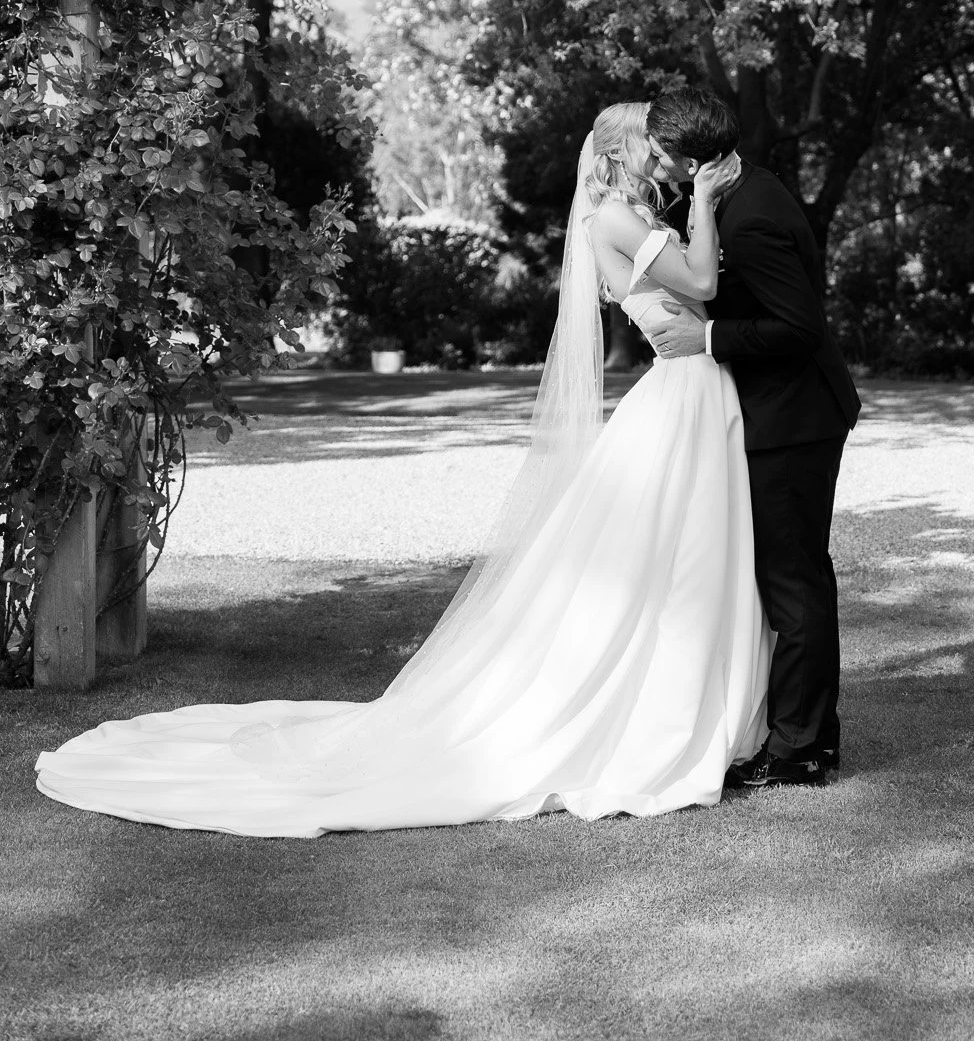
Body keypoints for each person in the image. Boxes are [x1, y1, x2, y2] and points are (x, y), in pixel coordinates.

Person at [35, 104, 771, 835]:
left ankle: (692, 704)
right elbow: (701, 284)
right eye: (652, 143)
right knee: (673, 553)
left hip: (693, 389)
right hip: (680, 388)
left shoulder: (629, 213)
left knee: (686, 555)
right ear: (617, 153)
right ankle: (656, 716)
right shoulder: (612, 217)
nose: (665, 155)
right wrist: (705, 202)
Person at [646, 86, 860, 789]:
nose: (655, 159)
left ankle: (798, 750)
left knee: (791, 584)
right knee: (795, 579)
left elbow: (798, 327)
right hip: (781, 414)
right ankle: (813, 737)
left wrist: (704, 335)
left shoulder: (752, 219)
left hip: (793, 420)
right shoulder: (741, 191)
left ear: (689, 159)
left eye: (661, 150)